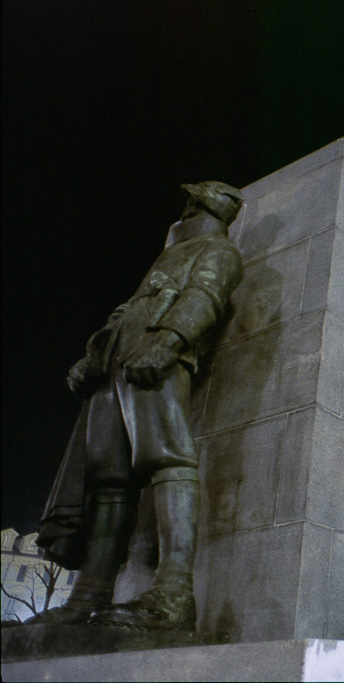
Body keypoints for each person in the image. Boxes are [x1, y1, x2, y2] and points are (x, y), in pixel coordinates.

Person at [26, 181, 244, 631]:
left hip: (152, 358)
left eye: (189, 203)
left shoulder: (218, 250)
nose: (183, 211)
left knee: (168, 459)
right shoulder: (171, 254)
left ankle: (174, 593)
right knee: (108, 477)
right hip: (117, 363)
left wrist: (169, 343)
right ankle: (87, 597)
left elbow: (205, 297)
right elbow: (127, 310)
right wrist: (94, 356)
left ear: (198, 205)